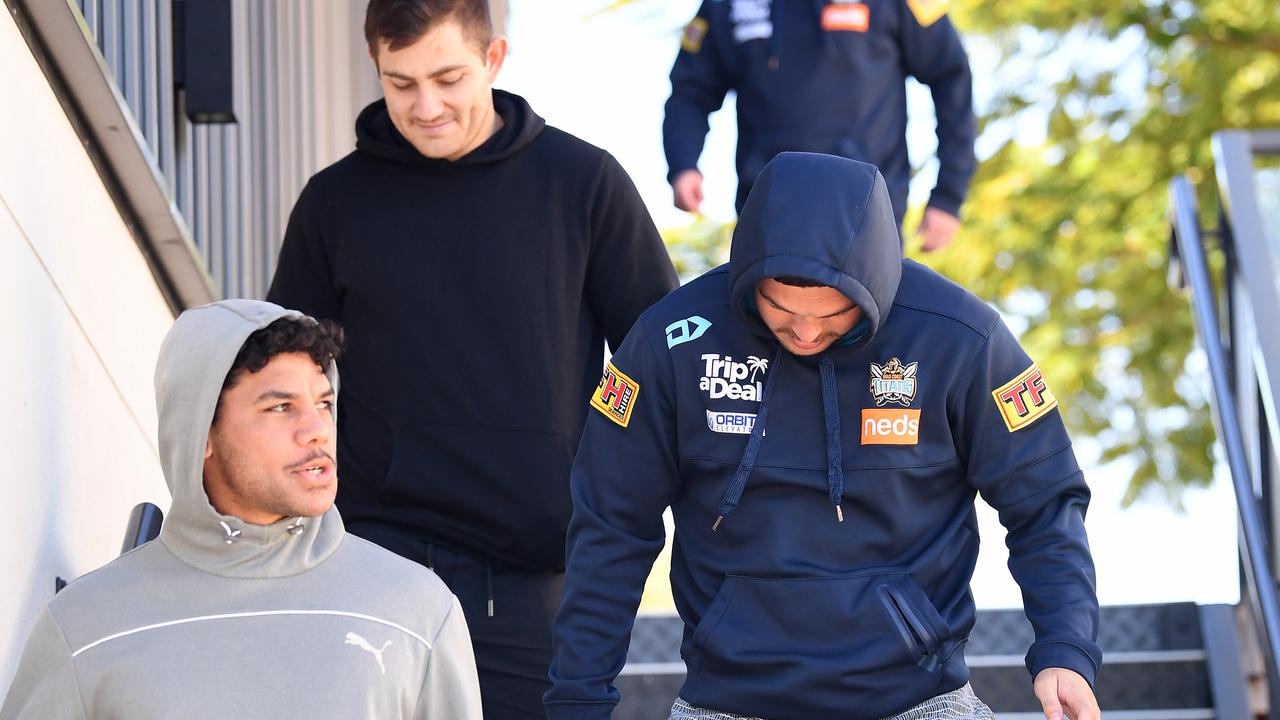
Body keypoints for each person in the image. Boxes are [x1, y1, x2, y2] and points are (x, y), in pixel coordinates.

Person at [545, 153, 1101, 720]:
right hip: (729, 700)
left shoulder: (962, 339)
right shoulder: (671, 342)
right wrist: (577, 699)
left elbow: (1045, 501)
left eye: (833, 313)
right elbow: (611, 526)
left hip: (920, 698)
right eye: (780, 309)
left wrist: (1065, 648)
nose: (806, 332)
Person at [265, 1, 679, 717]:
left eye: (448, 77)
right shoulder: (335, 203)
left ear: (494, 60)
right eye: (401, 84)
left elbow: (654, 359)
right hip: (371, 562)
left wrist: (592, 456)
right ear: (377, 69)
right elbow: (283, 374)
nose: (425, 106)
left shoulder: (583, 185)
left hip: (530, 579)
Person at [0, 299, 482, 719]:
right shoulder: (86, 627)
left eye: (324, 403)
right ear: (201, 434)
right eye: (281, 408)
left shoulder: (416, 611)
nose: (316, 429)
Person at [664, 0, 976, 251]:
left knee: (874, 326)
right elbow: (690, 90)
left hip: (867, 213)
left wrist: (948, 196)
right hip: (766, 215)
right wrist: (683, 163)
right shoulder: (727, 5)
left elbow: (951, 75)